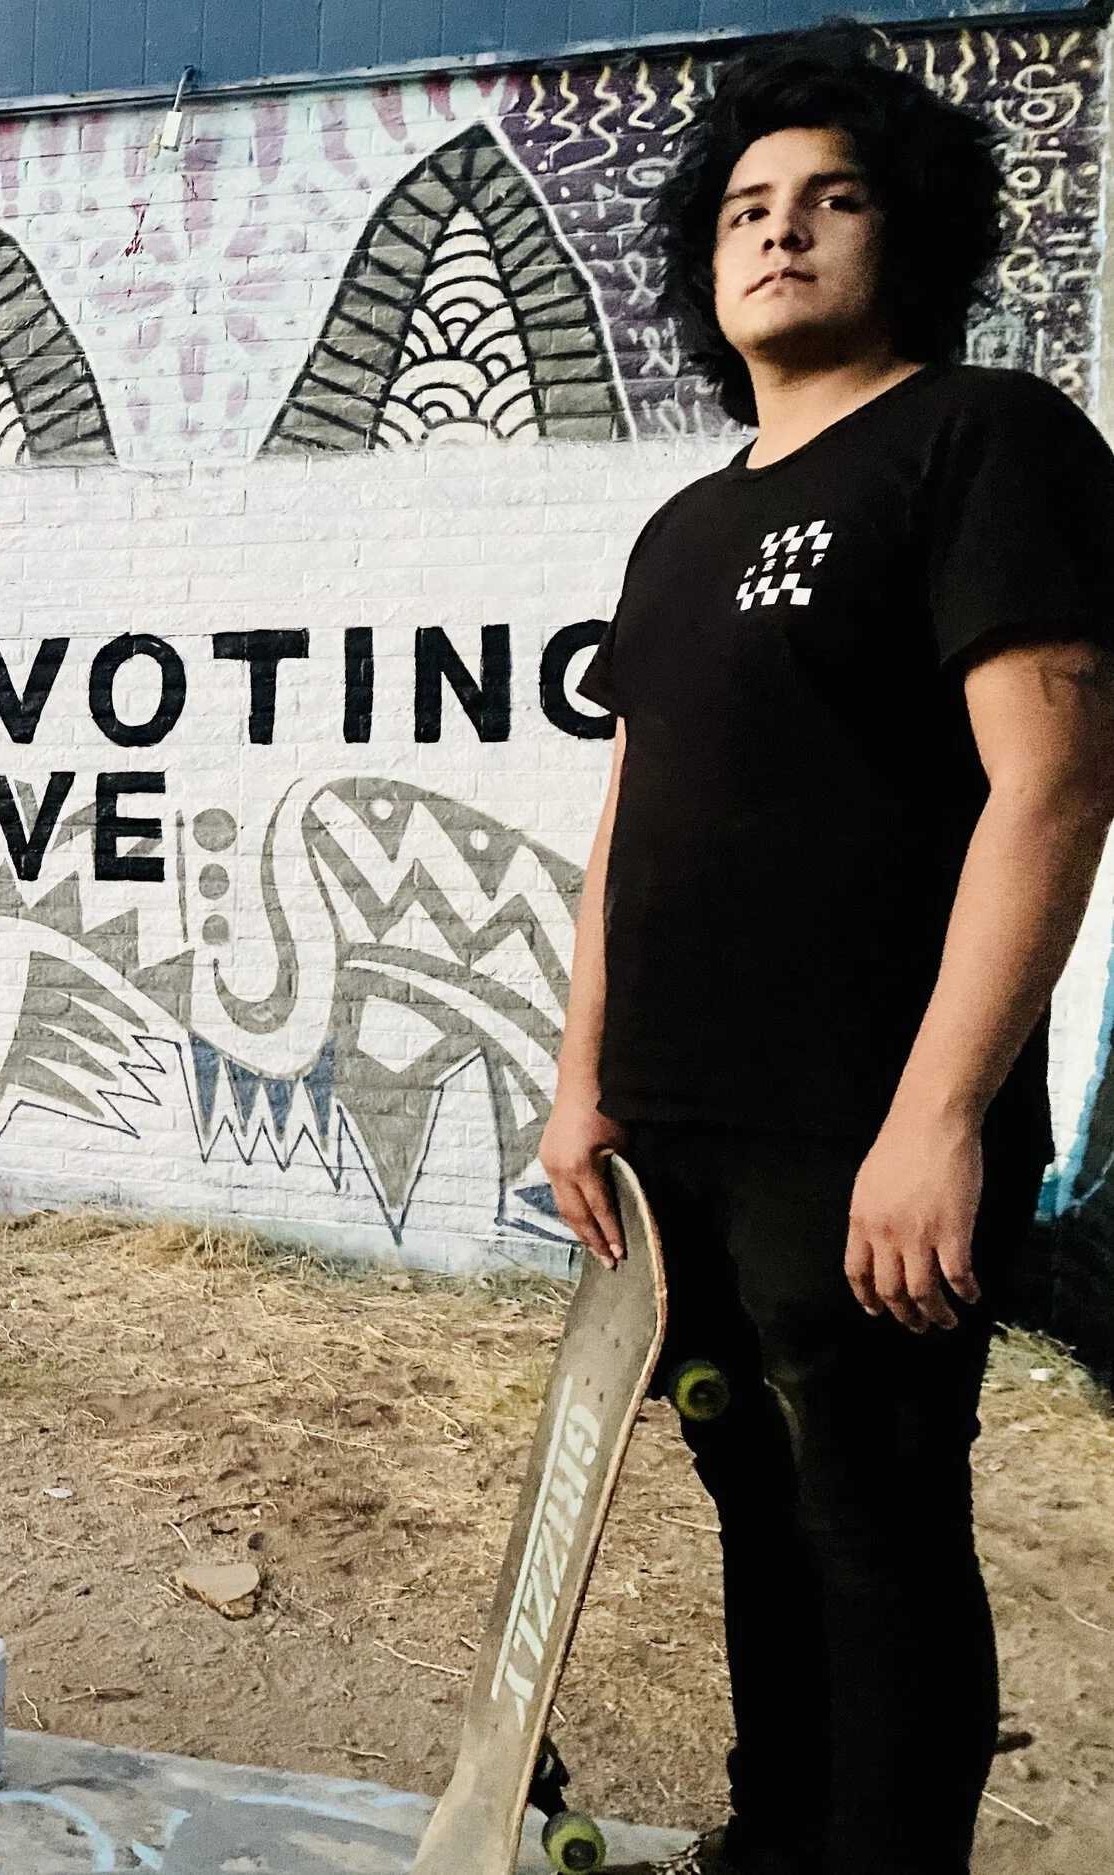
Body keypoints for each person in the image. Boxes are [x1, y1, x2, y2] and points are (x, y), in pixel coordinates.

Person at [538, 27, 1114, 1875]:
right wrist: (577, 1091)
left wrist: (942, 1113)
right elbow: (630, 825)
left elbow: (1055, 783)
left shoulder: (982, 442)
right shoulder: (678, 526)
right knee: (746, 1502)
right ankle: (772, 1836)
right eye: (746, 208)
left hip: (864, 1125)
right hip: (670, 1133)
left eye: (831, 200)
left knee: (873, 1526)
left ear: (910, 234)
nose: (779, 233)